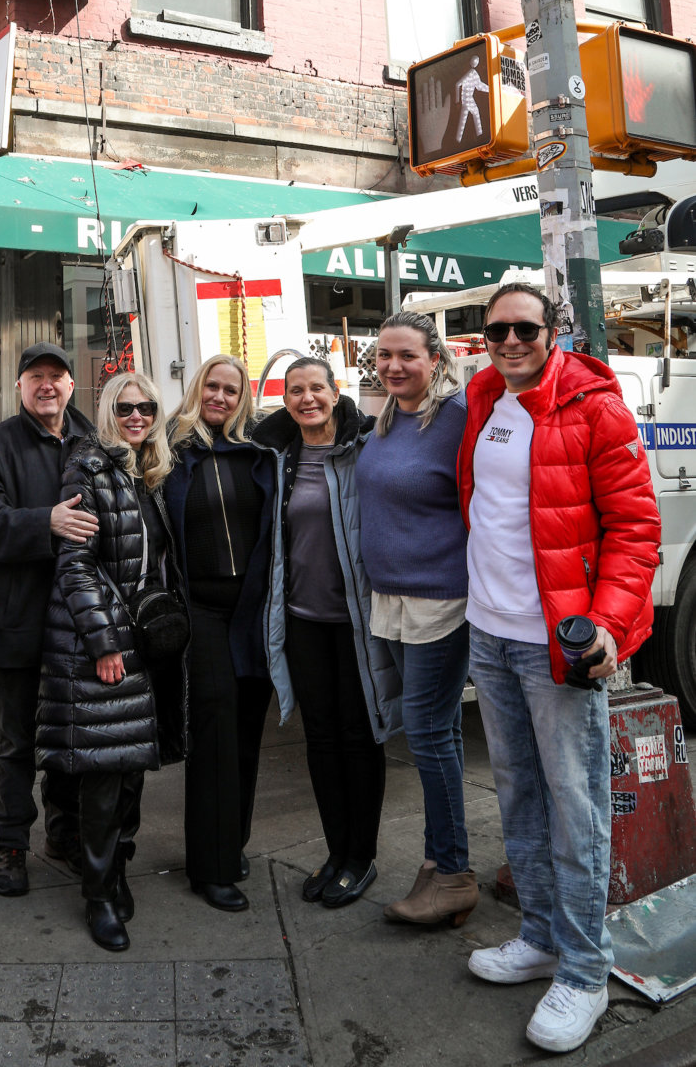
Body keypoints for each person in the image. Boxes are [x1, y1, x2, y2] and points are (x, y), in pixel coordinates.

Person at [459, 284, 659, 1054]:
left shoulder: (593, 408)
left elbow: (635, 528)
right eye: (496, 331)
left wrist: (607, 625)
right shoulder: (483, 397)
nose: (509, 342)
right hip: (489, 635)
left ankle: (583, 971)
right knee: (517, 797)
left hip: (556, 647)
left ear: (552, 330)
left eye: (524, 329)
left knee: (577, 810)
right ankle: (541, 937)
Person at [37, 371, 188, 952]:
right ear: (108, 413)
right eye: (125, 408)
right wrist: (103, 644)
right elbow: (75, 565)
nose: (137, 416)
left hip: (147, 642)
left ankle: (119, 869)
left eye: (146, 406)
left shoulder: (151, 472)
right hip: (103, 645)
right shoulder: (89, 468)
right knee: (104, 772)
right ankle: (98, 894)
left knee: (131, 768)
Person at [254, 357, 401, 909]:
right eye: (296, 390)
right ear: (285, 399)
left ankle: (361, 857)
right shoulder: (277, 455)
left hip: (358, 621)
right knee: (320, 739)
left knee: (360, 737)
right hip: (303, 620)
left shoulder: (367, 446)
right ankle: (336, 851)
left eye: (317, 387)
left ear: (336, 393)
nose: (307, 398)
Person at [356, 311, 476, 927]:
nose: (394, 365)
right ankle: (439, 865)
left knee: (427, 733)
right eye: (385, 355)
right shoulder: (386, 418)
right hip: (393, 598)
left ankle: (452, 873)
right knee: (440, 731)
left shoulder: (458, 419)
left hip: (440, 600)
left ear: (436, 358)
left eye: (407, 355)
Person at [0, 342, 93, 896]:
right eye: (35, 376)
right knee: (17, 743)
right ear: (19, 386)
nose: (47, 385)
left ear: (70, 385)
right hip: (20, 621)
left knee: (71, 738)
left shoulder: (92, 440)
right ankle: (10, 845)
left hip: (80, 626)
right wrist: (47, 523)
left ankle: (64, 834)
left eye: (56, 376)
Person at [164, 356, 275, 911]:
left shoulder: (257, 451)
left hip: (252, 610)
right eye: (212, 385)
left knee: (248, 730)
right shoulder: (169, 449)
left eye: (232, 390)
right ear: (197, 387)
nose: (220, 397)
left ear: (243, 400)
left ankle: (232, 842)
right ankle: (209, 867)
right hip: (201, 609)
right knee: (214, 729)